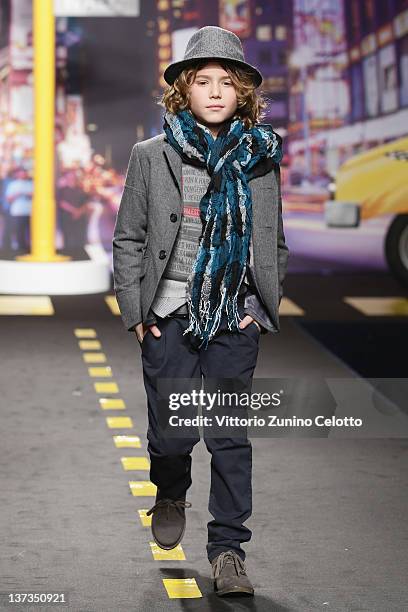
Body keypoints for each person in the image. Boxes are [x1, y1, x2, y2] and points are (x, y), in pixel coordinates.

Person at [112, 25, 289, 597]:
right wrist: (137, 311)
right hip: (169, 313)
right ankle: (169, 489)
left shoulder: (262, 159)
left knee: (229, 435)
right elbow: (130, 238)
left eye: (227, 82)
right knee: (171, 435)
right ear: (183, 91)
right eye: (203, 81)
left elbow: (273, 240)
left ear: (243, 93)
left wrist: (260, 308)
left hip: (234, 315)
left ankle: (229, 549)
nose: (215, 92)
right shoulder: (151, 155)